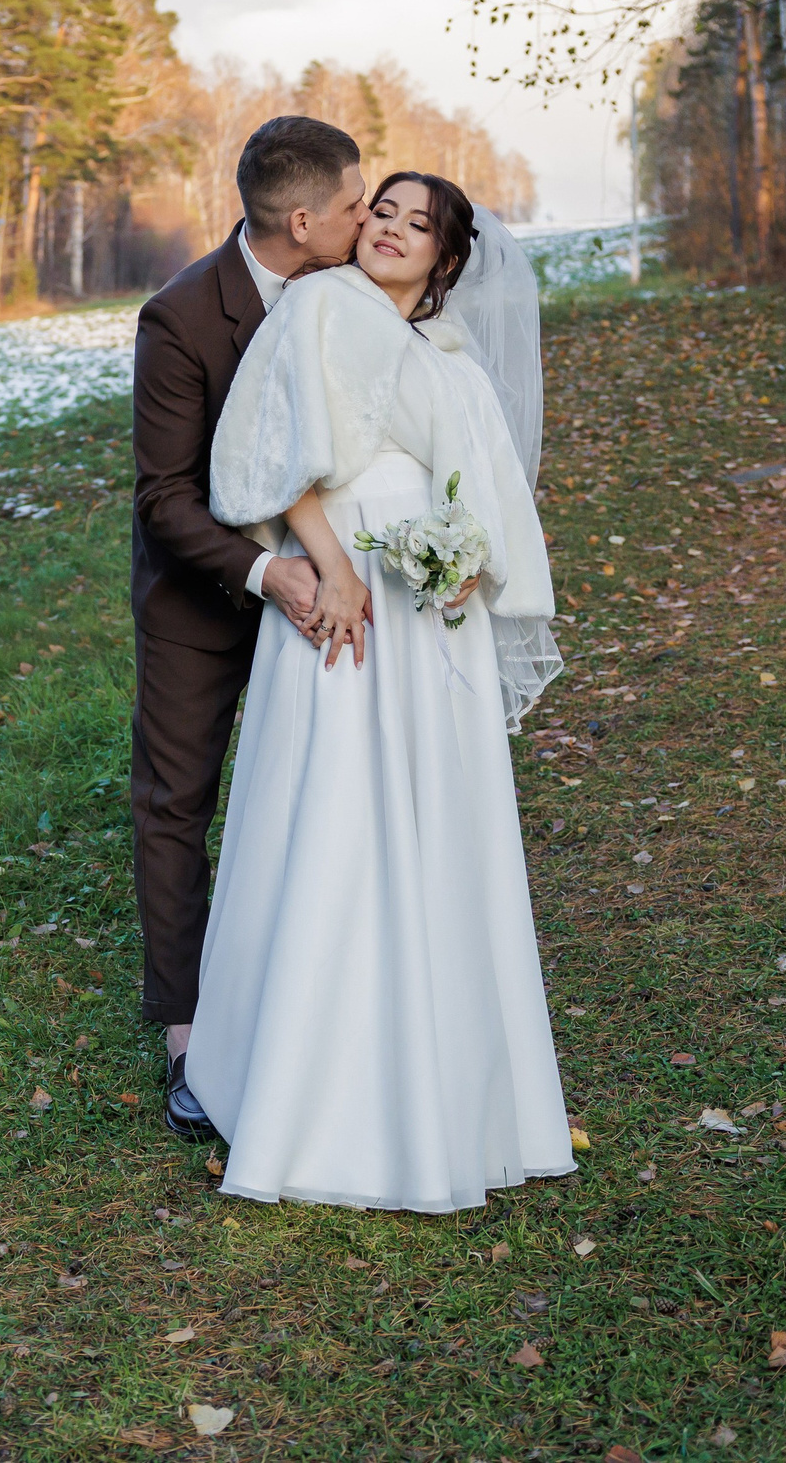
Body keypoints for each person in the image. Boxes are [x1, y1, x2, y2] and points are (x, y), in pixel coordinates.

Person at [183, 170, 575, 1213]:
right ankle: (316, 1095)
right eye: (382, 212)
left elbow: (484, 483)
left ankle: (451, 1089)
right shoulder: (319, 307)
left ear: (447, 260)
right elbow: (271, 452)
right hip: (346, 596)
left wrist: (461, 565)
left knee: (432, 822)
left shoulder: (444, 353)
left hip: (423, 617)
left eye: (417, 223)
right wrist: (333, 565)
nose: (391, 230)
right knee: (337, 816)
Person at [130, 116, 367, 1139]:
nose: (370, 216)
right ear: (303, 219)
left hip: (335, 592)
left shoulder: (354, 287)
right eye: (356, 202)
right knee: (178, 798)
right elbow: (165, 498)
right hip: (205, 593)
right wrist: (270, 571)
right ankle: (187, 1035)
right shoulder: (180, 317)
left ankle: (325, 1006)